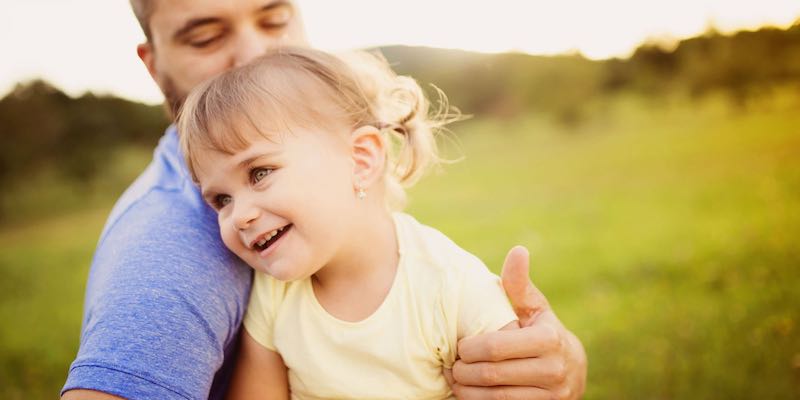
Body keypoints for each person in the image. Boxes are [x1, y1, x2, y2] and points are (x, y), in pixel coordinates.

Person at [61, 1, 587, 399]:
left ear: (361, 159)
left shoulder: (441, 280)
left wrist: (557, 365)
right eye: (219, 198)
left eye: (273, 19)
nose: (256, 54)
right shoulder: (176, 257)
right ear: (153, 65)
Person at [177, 46, 520, 399]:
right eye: (222, 200)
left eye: (259, 172)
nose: (241, 215)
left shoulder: (452, 286)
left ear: (361, 159)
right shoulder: (273, 296)